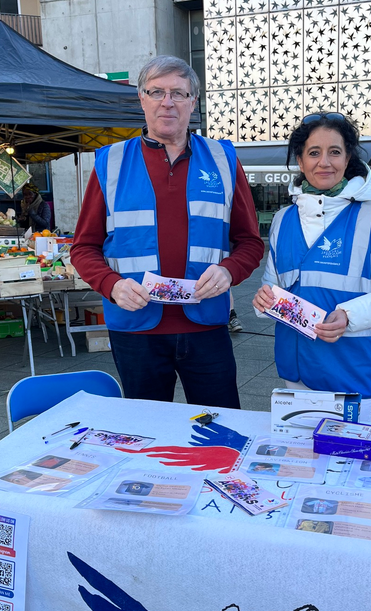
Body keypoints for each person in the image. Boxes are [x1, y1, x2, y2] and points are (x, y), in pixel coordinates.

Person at [71, 56, 264, 408]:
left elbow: (250, 242)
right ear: (141, 98)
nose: (167, 102)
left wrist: (229, 270)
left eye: (179, 93)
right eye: (156, 92)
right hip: (135, 329)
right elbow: (83, 247)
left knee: (220, 432)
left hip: (206, 326)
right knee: (145, 435)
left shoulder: (222, 159)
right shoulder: (111, 163)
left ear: (194, 101)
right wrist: (111, 285)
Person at [252, 112, 371, 423]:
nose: (324, 162)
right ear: (300, 161)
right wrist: (263, 300)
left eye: (334, 152)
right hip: (295, 365)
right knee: (301, 460)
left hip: (351, 366)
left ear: (348, 158)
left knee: (346, 461)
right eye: (314, 153)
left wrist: (349, 316)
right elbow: (272, 284)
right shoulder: (284, 219)